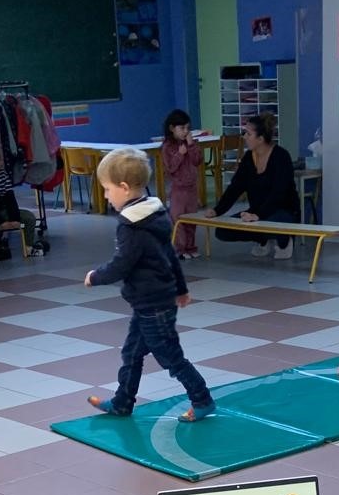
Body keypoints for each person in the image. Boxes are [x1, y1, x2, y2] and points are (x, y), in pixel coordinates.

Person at [83, 147, 217, 422]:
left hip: (153, 304)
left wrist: (95, 276)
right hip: (151, 302)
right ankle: (122, 402)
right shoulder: (156, 213)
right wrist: (181, 288)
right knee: (132, 353)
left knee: (170, 357)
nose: (106, 196)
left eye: (107, 190)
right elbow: (170, 255)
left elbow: (122, 264)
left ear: (124, 188)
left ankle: (202, 399)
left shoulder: (130, 225)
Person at [198, 113, 300, 259]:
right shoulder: (248, 158)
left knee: (269, 222)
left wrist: (258, 215)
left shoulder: (281, 156)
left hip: (283, 211)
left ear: (260, 139)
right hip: (257, 210)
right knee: (223, 231)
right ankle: (263, 239)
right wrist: (217, 210)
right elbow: (235, 188)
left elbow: (279, 194)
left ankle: (284, 240)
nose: (244, 137)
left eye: (248, 134)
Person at [161, 108, 203, 259]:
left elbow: (197, 161)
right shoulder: (167, 146)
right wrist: (180, 154)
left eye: (188, 128)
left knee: (192, 219)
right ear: (172, 128)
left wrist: (191, 146)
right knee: (179, 219)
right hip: (178, 190)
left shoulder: (190, 143)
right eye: (182, 128)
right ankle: (180, 249)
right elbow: (170, 168)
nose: (186, 131)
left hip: (192, 188)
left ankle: (191, 247)